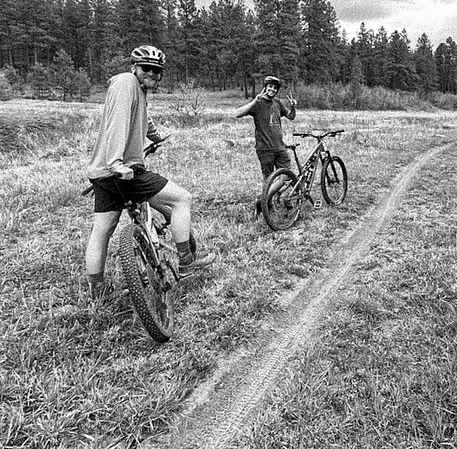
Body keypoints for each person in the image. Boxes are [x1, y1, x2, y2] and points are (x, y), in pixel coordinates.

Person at [84, 45, 215, 299]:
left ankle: (97, 291)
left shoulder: (138, 90)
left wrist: (156, 136)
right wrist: (116, 163)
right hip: (122, 170)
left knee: (102, 230)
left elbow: (143, 117)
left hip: (101, 174)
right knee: (182, 199)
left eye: (157, 70)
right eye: (147, 68)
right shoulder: (126, 83)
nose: (152, 74)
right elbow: (117, 123)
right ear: (135, 67)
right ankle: (186, 262)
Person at [235, 75, 297, 216]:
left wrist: (293, 107)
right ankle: (267, 205)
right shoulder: (258, 103)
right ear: (265, 87)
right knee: (268, 178)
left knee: (286, 175)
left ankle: (262, 200)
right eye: (270, 87)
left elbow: (291, 116)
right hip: (264, 149)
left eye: (275, 88)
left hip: (280, 147)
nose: (272, 90)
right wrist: (254, 101)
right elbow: (238, 114)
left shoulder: (278, 103)